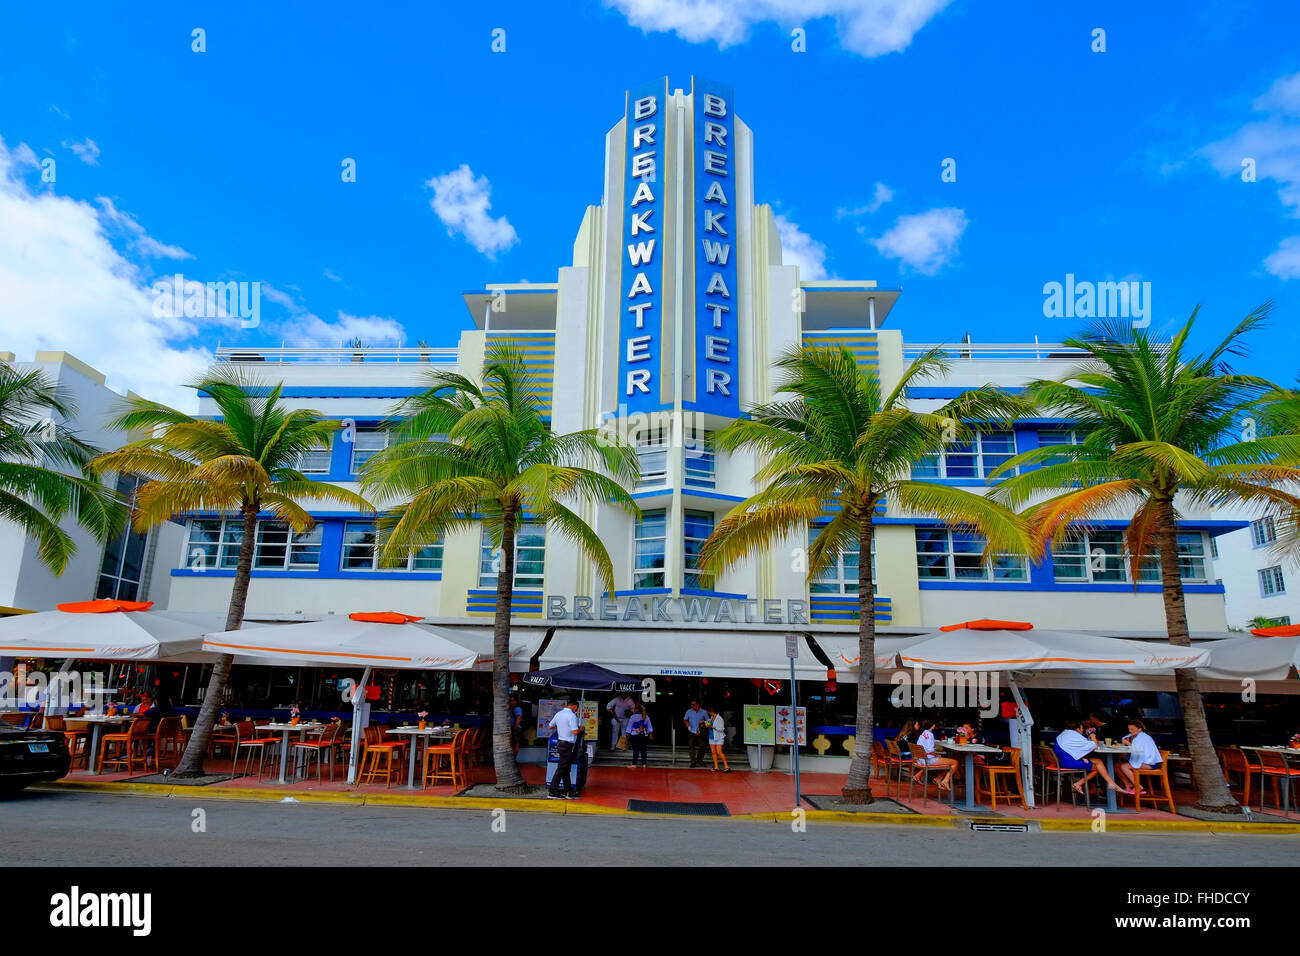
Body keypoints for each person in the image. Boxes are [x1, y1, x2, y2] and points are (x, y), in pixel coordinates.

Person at [1054, 719, 1124, 795]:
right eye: (1082, 728)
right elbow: (1095, 746)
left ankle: (1111, 783)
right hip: (1069, 762)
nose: (1083, 730)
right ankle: (1080, 783)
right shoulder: (1075, 735)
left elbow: (1070, 749)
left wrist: (1081, 757)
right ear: (1077, 729)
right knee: (1098, 768)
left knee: (1098, 762)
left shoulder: (1064, 734)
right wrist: (1093, 737)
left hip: (1063, 761)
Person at [1116, 718, 1162, 794]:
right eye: (1129, 729)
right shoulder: (1136, 736)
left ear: (1140, 729)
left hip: (1150, 764)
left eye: (1132, 729)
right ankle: (1128, 785)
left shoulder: (1143, 737)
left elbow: (1137, 750)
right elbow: (1127, 738)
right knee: (1116, 766)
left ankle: (1138, 786)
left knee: (1124, 766)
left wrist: (1128, 744)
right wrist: (1125, 740)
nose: (1130, 731)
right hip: (1144, 761)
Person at [547, 699, 582, 799]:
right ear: (574, 706)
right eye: (577, 708)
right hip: (568, 745)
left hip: (560, 742)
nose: (577, 710)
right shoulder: (572, 716)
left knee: (566, 768)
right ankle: (553, 790)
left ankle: (569, 790)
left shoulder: (559, 714)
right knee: (562, 767)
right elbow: (575, 732)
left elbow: (550, 726)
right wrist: (580, 729)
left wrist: (561, 728)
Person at [913, 719, 957, 792]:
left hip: (920, 760)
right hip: (928, 761)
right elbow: (930, 750)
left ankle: (938, 779)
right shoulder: (930, 734)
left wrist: (936, 755)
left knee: (947, 764)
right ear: (933, 726)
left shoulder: (923, 733)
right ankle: (945, 781)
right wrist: (936, 754)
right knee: (955, 763)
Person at [683, 700, 710, 768]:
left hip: (700, 732)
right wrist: (688, 726)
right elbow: (685, 719)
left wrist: (703, 721)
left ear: (698, 705)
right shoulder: (689, 711)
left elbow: (709, 722)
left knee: (702, 746)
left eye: (693, 704)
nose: (692, 706)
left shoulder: (704, 712)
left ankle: (699, 760)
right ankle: (693, 761)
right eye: (691, 704)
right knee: (691, 747)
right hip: (691, 731)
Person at [626, 701, 653, 768]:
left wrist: (627, 735)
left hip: (634, 735)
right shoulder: (647, 717)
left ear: (637, 710)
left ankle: (634, 764)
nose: (634, 710)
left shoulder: (633, 717)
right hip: (644, 735)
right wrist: (650, 734)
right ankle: (644, 764)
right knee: (643, 750)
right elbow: (649, 727)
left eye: (635, 708)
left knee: (636, 750)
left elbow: (629, 727)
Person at [707, 705, 730, 772]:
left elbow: (722, 729)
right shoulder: (711, 717)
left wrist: (712, 727)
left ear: (712, 712)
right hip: (711, 737)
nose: (709, 713)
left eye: (709, 712)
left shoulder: (720, 718)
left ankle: (726, 766)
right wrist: (707, 724)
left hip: (719, 737)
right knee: (713, 752)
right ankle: (716, 767)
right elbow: (710, 725)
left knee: (719, 752)